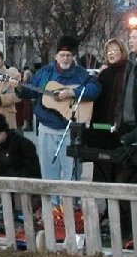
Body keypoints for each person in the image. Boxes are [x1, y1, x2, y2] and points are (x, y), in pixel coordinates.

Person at [15, 36, 100, 187]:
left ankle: (73, 205)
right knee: (49, 173)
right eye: (62, 55)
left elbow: (95, 89)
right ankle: (54, 207)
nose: (65, 59)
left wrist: (72, 93)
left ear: (73, 56)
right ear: (56, 56)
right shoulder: (45, 72)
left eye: (68, 55)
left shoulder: (81, 74)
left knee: (72, 174)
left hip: (70, 130)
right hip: (47, 129)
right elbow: (31, 91)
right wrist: (19, 88)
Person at [88, 38, 128, 183]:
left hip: (122, 128)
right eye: (108, 51)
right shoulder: (104, 74)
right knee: (102, 169)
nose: (111, 53)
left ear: (122, 51)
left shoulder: (129, 70)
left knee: (120, 169)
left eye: (114, 50)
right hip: (103, 128)